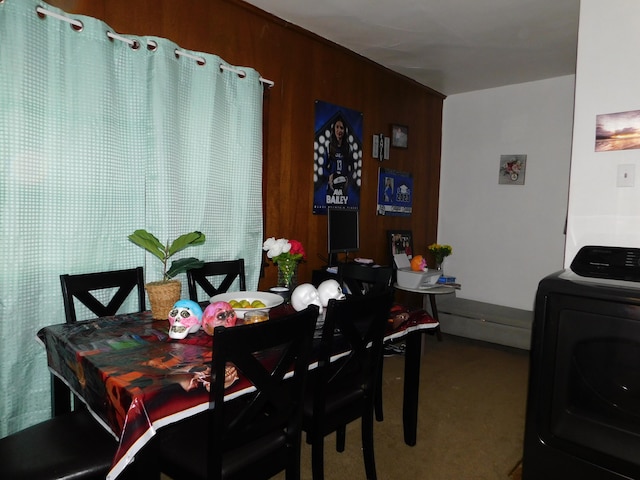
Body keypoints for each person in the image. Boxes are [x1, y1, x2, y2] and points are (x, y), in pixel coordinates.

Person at [325, 117, 353, 196]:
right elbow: (323, 167)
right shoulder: (329, 147)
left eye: (341, 128)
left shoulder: (348, 148)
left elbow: (353, 168)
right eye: (337, 127)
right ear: (333, 129)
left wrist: (347, 178)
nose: (339, 130)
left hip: (343, 186)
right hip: (332, 186)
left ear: (345, 130)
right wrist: (329, 176)